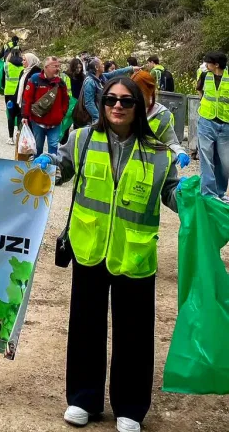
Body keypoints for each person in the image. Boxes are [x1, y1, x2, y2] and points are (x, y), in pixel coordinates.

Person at [34, 76, 179, 432]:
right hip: (90, 249)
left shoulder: (159, 153)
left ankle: (130, 407)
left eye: (126, 101)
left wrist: (193, 197)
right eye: (111, 99)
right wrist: (45, 165)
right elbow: (61, 169)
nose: (117, 106)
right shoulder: (83, 139)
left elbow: (172, 192)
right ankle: (83, 399)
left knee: (135, 333)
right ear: (102, 104)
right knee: (86, 326)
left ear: (139, 107)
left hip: (135, 255)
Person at [131, 71, 190, 167]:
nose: (135, 95)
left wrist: (179, 152)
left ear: (150, 90)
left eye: (139, 91)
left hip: (151, 165)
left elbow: (170, 141)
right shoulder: (125, 109)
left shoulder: (162, 115)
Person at [196, 51, 229, 201]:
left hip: (225, 124)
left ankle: (220, 193)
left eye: (208, 62)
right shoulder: (204, 75)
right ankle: (208, 194)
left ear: (216, 64)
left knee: (224, 162)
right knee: (206, 158)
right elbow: (199, 90)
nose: (206, 65)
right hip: (206, 122)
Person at [22, 57, 69, 160]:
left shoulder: (60, 83)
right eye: (55, 66)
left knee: (53, 148)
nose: (58, 69)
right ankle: (36, 167)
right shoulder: (35, 79)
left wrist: (62, 114)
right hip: (38, 122)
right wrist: (25, 115)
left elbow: (65, 100)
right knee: (37, 147)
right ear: (46, 67)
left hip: (55, 124)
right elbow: (27, 98)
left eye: (58, 66)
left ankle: (51, 167)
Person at [80, 59, 138, 125]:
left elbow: (116, 73)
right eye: (101, 64)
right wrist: (98, 117)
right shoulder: (90, 82)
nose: (103, 66)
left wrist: (131, 68)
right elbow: (89, 103)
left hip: (104, 114)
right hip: (98, 118)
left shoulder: (102, 77)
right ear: (96, 67)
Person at [3, 49, 25, 145]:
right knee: (20, 114)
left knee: (10, 115)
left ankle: (10, 137)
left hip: (9, 93)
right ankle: (19, 135)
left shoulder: (6, 65)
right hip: (20, 93)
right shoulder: (23, 66)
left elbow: (2, 79)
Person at [16, 53, 42, 122]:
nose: (22, 62)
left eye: (24, 60)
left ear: (30, 61)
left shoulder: (36, 73)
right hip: (22, 102)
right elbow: (19, 87)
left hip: (30, 104)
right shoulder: (23, 72)